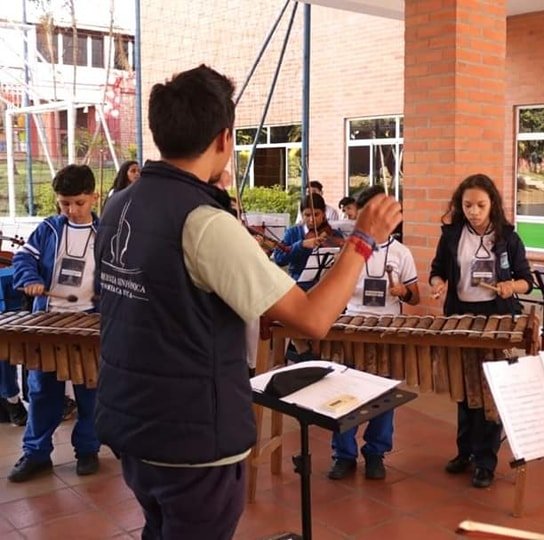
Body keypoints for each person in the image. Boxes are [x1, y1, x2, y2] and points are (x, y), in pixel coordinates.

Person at [93, 64, 401, 538]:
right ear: (223, 138)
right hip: (193, 438)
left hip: (133, 423)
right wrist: (363, 240)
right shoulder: (204, 223)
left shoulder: (119, 204)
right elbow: (314, 319)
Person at [429, 173, 533, 489]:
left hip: (495, 318)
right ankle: (465, 452)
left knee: (488, 391)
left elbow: (527, 280)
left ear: (493, 205)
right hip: (461, 315)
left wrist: (509, 286)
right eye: (468, 205)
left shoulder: (507, 239)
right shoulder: (451, 235)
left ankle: (485, 461)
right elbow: (436, 271)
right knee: (464, 388)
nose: (474, 211)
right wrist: (439, 284)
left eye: (481, 205)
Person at [8, 164, 101, 482]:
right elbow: (23, 258)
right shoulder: (48, 229)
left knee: (91, 392)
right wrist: (30, 278)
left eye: (79, 203)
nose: (72, 210)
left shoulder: (104, 234)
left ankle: (88, 450)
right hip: (47, 321)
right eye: (65, 203)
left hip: (89, 322)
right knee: (42, 393)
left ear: (93, 197)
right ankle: (36, 454)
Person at [327, 186, 419, 481]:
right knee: (346, 393)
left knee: (384, 395)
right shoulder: (349, 251)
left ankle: (376, 453)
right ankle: (344, 454)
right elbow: (333, 290)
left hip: (387, 330)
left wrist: (403, 291)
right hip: (352, 327)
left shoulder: (402, 253)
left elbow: (415, 297)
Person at [273, 193, 344, 291]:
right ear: (302, 214)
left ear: (324, 213)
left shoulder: (334, 235)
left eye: (316, 214)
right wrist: (301, 244)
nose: (311, 220)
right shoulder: (293, 232)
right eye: (307, 215)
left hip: (327, 288)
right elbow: (279, 259)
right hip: (299, 288)